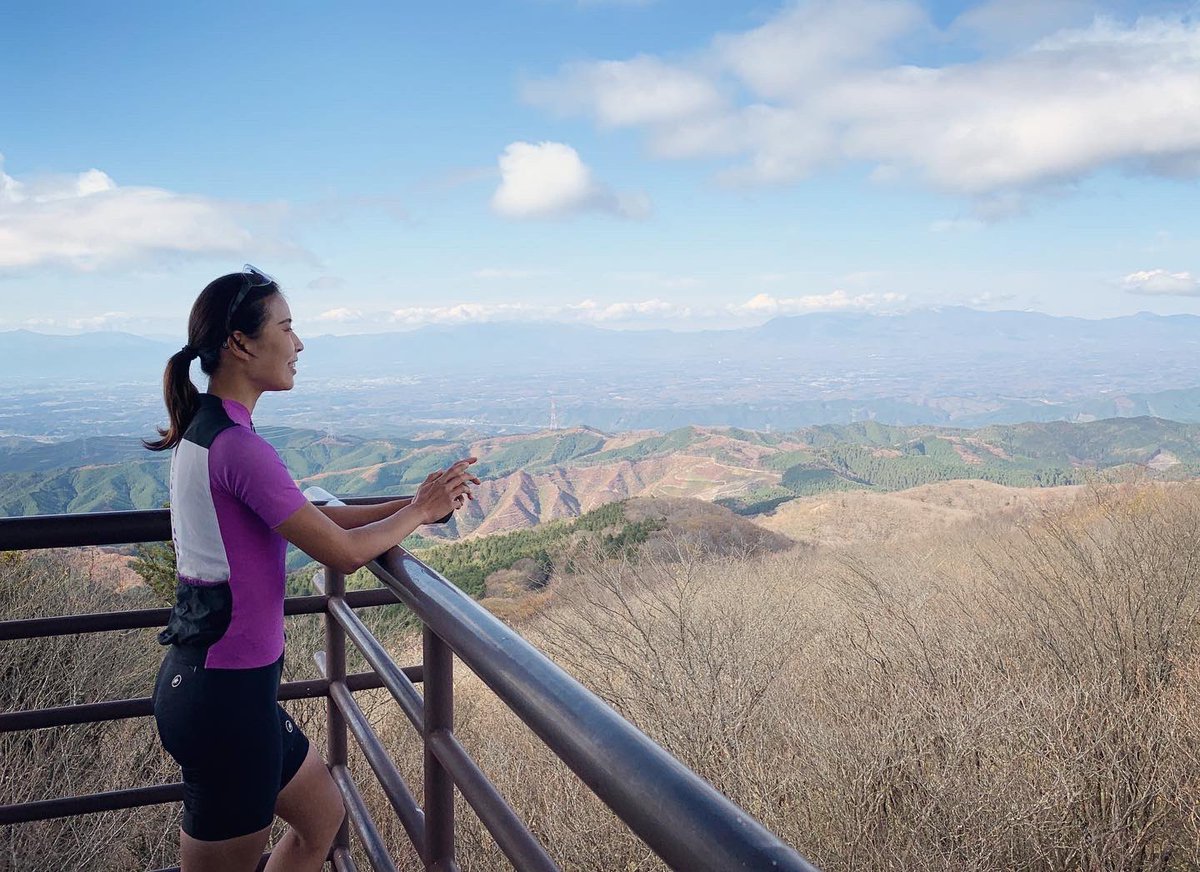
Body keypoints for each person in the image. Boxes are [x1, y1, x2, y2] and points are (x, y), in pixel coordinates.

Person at [145, 265, 478, 872]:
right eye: (287, 327)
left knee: (321, 818)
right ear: (241, 343)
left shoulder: (212, 429)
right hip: (224, 703)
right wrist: (420, 510)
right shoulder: (238, 447)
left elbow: (314, 520)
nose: (298, 344)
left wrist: (416, 507)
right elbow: (340, 554)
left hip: (228, 690)